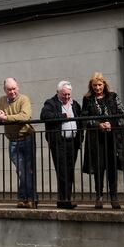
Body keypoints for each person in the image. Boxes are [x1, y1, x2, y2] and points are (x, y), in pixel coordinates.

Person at [81, 72, 124, 209]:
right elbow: (84, 118)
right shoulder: (88, 99)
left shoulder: (112, 97)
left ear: (104, 84)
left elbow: (121, 114)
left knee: (112, 166)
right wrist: (99, 125)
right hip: (96, 139)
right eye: (95, 85)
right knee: (98, 167)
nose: (97, 88)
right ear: (91, 86)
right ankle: (99, 196)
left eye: (99, 85)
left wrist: (110, 124)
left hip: (113, 138)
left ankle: (114, 197)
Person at [0, 77, 36, 209]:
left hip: (26, 137)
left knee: (27, 170)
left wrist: (5, 118)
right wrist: (0, 117)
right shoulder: (1, 100)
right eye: (9, 89)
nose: (12, 92)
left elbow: (25, 116)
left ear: (18, 87)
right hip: (13, 140)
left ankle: (28, 198)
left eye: (14, 88)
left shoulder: (24, 99)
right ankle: (27, 198)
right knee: (21, 170)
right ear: (4, 89)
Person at [41, 81, 83, 210]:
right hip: (59, 143)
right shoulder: (51, 103)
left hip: (73, 142)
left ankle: (65, 200)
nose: (67, 97)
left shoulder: (75, 104)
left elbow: (80, 120)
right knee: (63, 172)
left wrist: (80, 138)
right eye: (64, 94)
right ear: (58, 92)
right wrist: (64, 116)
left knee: (69, 172)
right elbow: (44, 116)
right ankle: (64, 201)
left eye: (69, 94)